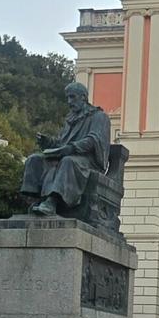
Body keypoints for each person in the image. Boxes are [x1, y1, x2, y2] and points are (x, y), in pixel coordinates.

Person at [21, 81, 112, 217]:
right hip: (66, 156)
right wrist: (49, 142)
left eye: (72, 97)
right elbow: (61, 142)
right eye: (68, 98)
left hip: (88, 161)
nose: (69, 102)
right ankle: (36, 199)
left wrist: (72, 148)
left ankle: (52, 201)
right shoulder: (70, 119)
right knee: (34, 159)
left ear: (83, 97)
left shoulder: (99, 117)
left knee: (68, 162)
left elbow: (94, 140)